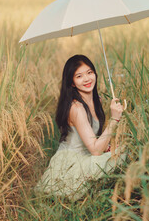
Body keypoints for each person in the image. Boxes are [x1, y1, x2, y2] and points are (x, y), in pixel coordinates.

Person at [35, 54, 126, 200]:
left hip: (88, 154)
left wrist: (108, 145)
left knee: (123, 148)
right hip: (72, 162)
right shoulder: (76, 108)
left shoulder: (97, 101)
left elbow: (95, 137)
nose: (87, 79)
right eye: (79, 76)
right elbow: (96, 150)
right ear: (71, 82)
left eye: (89, 73)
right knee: (121, 155)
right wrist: (114, 119)